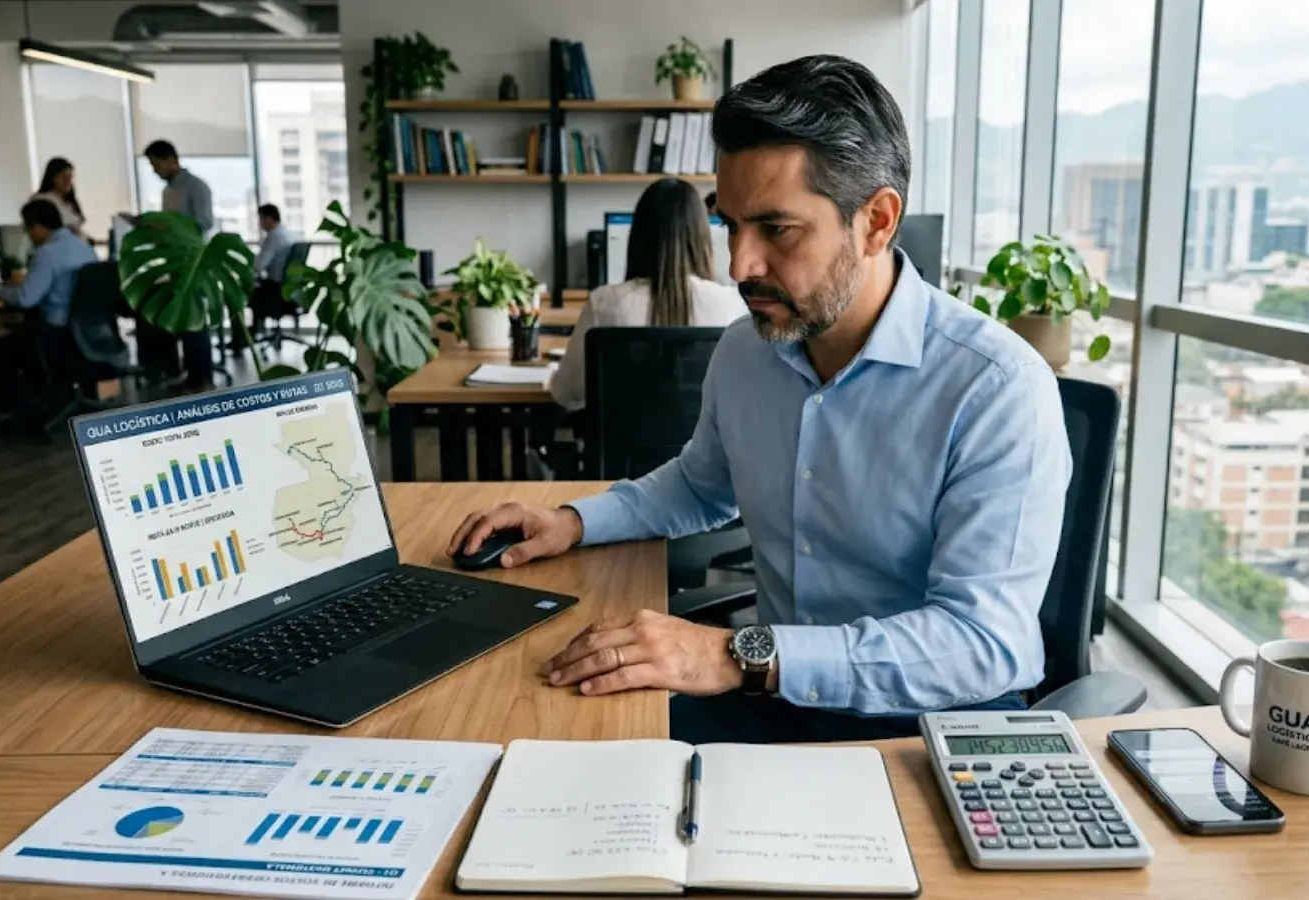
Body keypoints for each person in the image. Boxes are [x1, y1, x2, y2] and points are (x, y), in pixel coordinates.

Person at [449, 55, 1072, 745]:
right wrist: (571, 521)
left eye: (776, 230)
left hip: (935, 728)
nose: (740, 265)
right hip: (781, 696)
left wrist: (730, 653)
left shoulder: (996, 387)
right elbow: (699, 484)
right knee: (566, 741)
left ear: (877, 222)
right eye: (729, 225)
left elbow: (983, 643)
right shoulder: (749, 349)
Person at [550, 178, 745, 411]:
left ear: (638, 237)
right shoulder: (731, 305)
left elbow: (566, 394)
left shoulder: (604, 303)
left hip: (619, 448)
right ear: (702, 237)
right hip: (707, 448)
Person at [0, 199, 98, 425]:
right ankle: (41, 398)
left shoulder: (48, 253)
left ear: (38, 227)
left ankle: (8, 412)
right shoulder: (85, 247)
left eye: (28, 229)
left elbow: (25, 298)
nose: (29, 236)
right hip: (88, 333)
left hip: (57, 334)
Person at [141, 139, 215, 392]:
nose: (154, 170)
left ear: (171, 160)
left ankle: (202, 378)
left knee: (195, 322)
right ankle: (187, 374)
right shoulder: (168, 191)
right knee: (181, 321)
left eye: (156, 164)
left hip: (193, 263)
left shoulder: (196, 186)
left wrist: (171, 227)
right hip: (173, 263)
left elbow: (204, 223)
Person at [247, 204, 296, 344]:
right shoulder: (287, 233)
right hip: (289, 289)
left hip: (276, 290)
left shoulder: (274, 237)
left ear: (269, 218)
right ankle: (254, 330)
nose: (260, 223)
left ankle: (245, 337)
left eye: (261, 219)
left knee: (242, 292)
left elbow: (259, 266)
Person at [30, 157, 85, 239]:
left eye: (70, 177)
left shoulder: (68, 201)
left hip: (77, 247)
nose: (67, 181)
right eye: (63, 176)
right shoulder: (41, 201)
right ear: (52, 177)